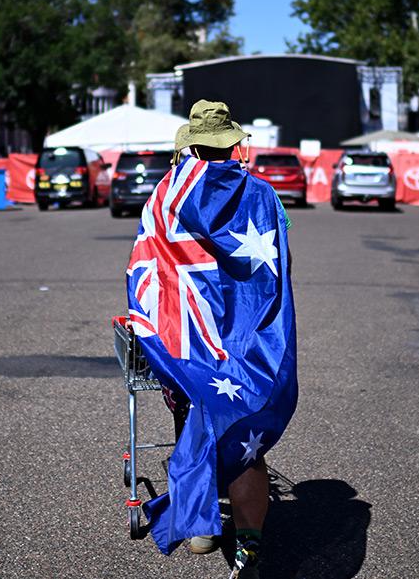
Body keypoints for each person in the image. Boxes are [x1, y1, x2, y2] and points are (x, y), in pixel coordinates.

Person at [126, 100, 298, 579]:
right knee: (248, 443)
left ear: (190, 146)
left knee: (194, 411)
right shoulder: (262, 196)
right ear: (233, 145)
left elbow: (146, 269)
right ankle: (247, 550)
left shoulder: (165, 197)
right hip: (245, 348)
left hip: (186, 347)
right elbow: (279, 246)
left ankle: (200, 519)